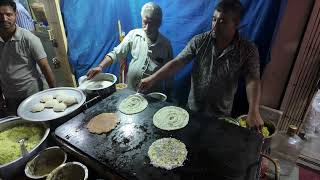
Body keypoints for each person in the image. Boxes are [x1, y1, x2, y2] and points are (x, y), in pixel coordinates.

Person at [139, 0, 264, 128]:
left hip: (221, 116)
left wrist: (253, 110)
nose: (215, 26)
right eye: (214, 19)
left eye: (222, 21)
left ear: (236, 23)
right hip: (193, 111)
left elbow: (252, 78)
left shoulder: (247, 49)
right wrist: (152, 78)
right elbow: (177, 63)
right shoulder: (200, 41)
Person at [86, 2, 173, 96]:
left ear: (159, 23)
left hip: (152, 94)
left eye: (151, 23)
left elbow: (169, 72)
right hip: (131, 90)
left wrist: (169, 93)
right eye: (145, 22)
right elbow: (116, 53)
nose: (147, 28)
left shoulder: (165, 45)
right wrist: (100, 66)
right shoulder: (134, 35)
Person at [0, 0, 55, 115]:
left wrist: (53, 91)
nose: (4, 19)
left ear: (16, 15)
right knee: (20, 128)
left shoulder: (29, 39)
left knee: (41, 124)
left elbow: (45, 67)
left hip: (33, 94)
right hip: (10, 97)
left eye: (8, 14)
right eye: (0, 15)